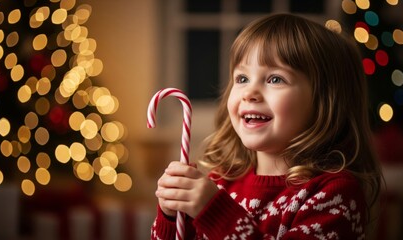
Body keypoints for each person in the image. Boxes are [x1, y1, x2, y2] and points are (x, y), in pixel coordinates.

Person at [151, 13, 382, 239]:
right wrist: (171, 218)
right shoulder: (223, 182)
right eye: (242, 78)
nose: (250, 92)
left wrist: (214, 212)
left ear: (326, 102)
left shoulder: (334, 195)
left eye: (275, 79)